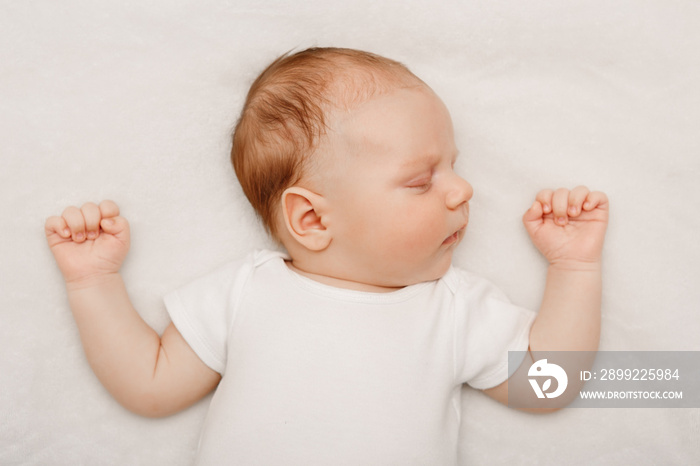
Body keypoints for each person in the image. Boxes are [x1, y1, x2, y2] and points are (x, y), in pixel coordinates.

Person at [45, 47, 609, 464]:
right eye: (421, 180)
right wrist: (93, 282)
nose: (462, 191)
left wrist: (574, 268)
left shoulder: (454, 308)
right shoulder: (246, 292)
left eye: (454, 166)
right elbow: (150, 386)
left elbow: (547, 385)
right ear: (312, 219)